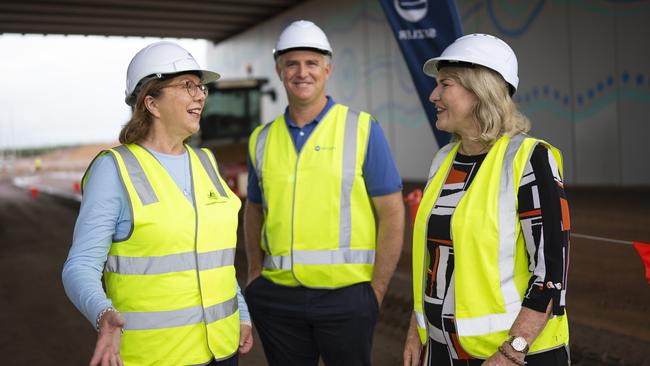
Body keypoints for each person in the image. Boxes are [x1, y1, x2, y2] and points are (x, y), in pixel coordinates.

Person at [62, 41, 253, 366]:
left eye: (201, 87)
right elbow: (80, 266)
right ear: (151, 102)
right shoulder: (114, 169)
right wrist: (102, 312)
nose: (201, 95)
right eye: (188, 86)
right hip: (155, 357)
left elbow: (216, 258)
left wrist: (243, 313)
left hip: (222, 350)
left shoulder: (207, 162)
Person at [243, 20, 405, 366]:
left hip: (347, 298)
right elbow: (254, 209)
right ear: (279, 70)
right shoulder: (261, 138)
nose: (302, 72)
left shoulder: (362, 129)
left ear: (327, 69)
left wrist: (375, 292)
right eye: (292, 64)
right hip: (278, 297)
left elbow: (391, 212)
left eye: (311, 63)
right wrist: (255, 274)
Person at [403, 34, 571, 366]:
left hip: (512, 356)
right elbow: (433, 263)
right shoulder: (443, 160)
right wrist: (416, 331)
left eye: (445, 84)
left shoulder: (530, 159)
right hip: (442, 352)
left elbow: (551, 275)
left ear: (480, 92)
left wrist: (512, 351)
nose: (433, 95)